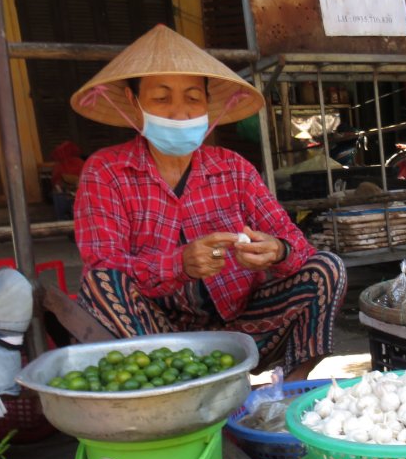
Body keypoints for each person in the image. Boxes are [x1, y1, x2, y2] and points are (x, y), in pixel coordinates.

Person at [70, 24, 346, 381]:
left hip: (242, 331)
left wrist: (276, 251)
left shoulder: (233, 167)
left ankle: (289, 393)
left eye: (192, 98)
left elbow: (297, 246)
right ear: (134, 103)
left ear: (206, 105)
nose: (180, 111)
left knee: (327, 267)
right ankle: (179, 390)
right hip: (156, 341)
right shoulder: (106, 170)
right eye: (161, 98)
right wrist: (180, 264)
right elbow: (104, 262)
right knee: (100, 282)